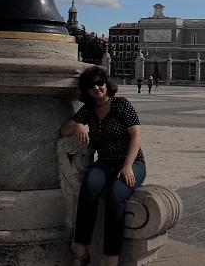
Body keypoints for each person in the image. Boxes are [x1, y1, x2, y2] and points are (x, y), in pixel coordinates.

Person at [61, 66, 146, 266]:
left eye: (100, 83)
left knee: (116, 196)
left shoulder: (121, 105)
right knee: (89, 188)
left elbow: (136, 135)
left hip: (133, 162)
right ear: (87, 91)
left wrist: (127, 166)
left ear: (107, 84)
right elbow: (65, 130)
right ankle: (82, 248)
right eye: (91, 86)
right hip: (106, 162)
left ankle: (112, 258)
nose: (97, 88)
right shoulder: (89, 110)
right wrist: (79, 124)